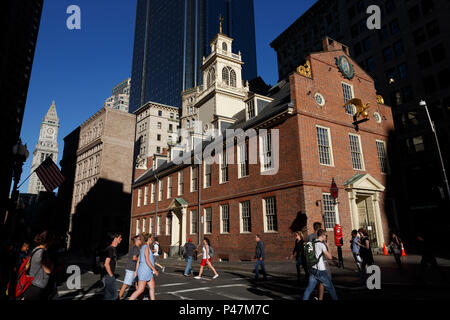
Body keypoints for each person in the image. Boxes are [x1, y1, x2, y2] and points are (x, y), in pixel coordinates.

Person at [303, 229, 338, 300]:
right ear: (322, 235)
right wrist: (328, 246)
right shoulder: (321, 245)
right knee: (331, 289)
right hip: (321, 270)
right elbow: (330, 257)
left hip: (312, 269)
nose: (326, 237)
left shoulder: (312, 243)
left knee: (309, 289)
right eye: (326, 236)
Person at [23, 231, 55, 300]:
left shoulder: (35, 249)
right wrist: (52, 264)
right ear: (48, 241)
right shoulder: (43, 252)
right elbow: (48, 270)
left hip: (31, 284)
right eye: (52, 240)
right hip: (39, 286)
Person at [129, 233, 159, 300]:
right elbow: (147, 260)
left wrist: (136, 271)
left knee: (152, 287)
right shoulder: (146, 248)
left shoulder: (143, 247)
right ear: (149, 239)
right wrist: (154, 269)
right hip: (144, 271)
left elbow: (138, 261)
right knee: (140, 290)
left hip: (148, 271)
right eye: (152, 238)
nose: (153, 240)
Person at [118, 235, 141, 300]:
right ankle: (118, 297)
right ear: (136, 240)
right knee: (125, 284)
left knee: (137, 284)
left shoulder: (133, 247)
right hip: (131, 269)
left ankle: (139, 297)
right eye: (139, 239)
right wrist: (140, 259)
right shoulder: (135, 248)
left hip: (133, 269)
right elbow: (134, 258)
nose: (140, 241)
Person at [306, 222, 325, 300]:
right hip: (320, 261)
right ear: (319, 228)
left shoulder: (309, 237)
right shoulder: (319, 237)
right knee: (321, 281)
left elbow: (307, 248)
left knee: (313, 280)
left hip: (311, 261)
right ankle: (320, 297)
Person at [103, 232, 122, 300]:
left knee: (108, 296)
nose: (121, 239)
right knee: (114, 295)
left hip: (107, 276)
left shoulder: (112, 249)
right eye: (120, 238)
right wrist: (111, 275)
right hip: (108, 276)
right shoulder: (110, 249)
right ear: (115, 238)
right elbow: (106, 263)